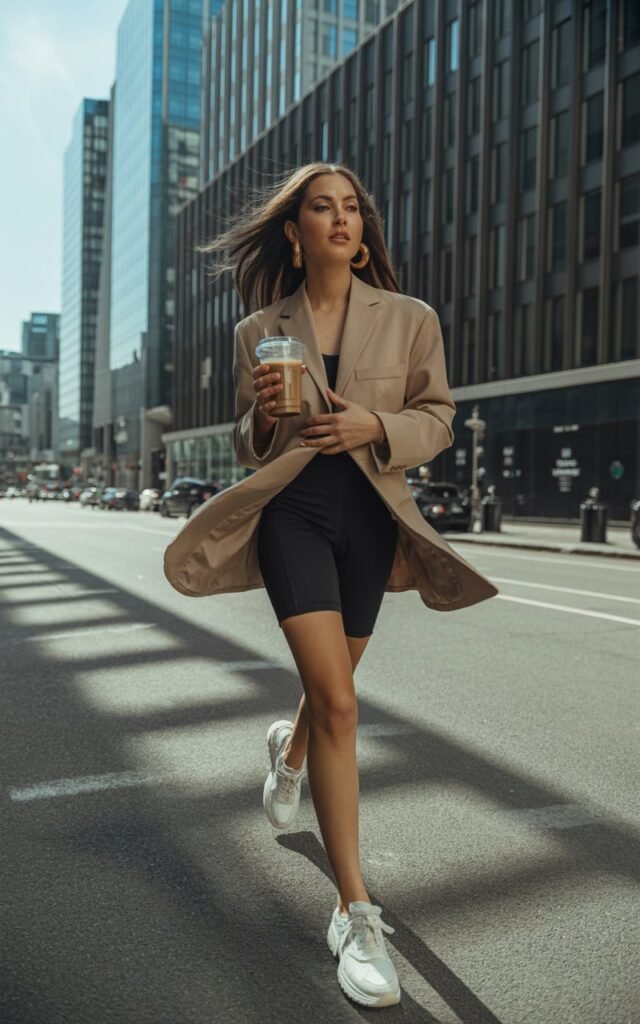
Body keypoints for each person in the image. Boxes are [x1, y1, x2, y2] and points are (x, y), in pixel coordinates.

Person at [170, 162, 498, 1009]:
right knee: (343, 705)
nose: (341, 218)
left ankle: (290, 753)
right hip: (295, 515)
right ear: (295, 232)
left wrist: (373, 424)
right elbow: (252, 443)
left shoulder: (411, 318)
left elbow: (438, 419)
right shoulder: (259, 329)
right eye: (323, 207)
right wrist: (266, 413)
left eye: (352, 207)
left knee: (332, 689)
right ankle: (355, 914)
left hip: (371, 519)